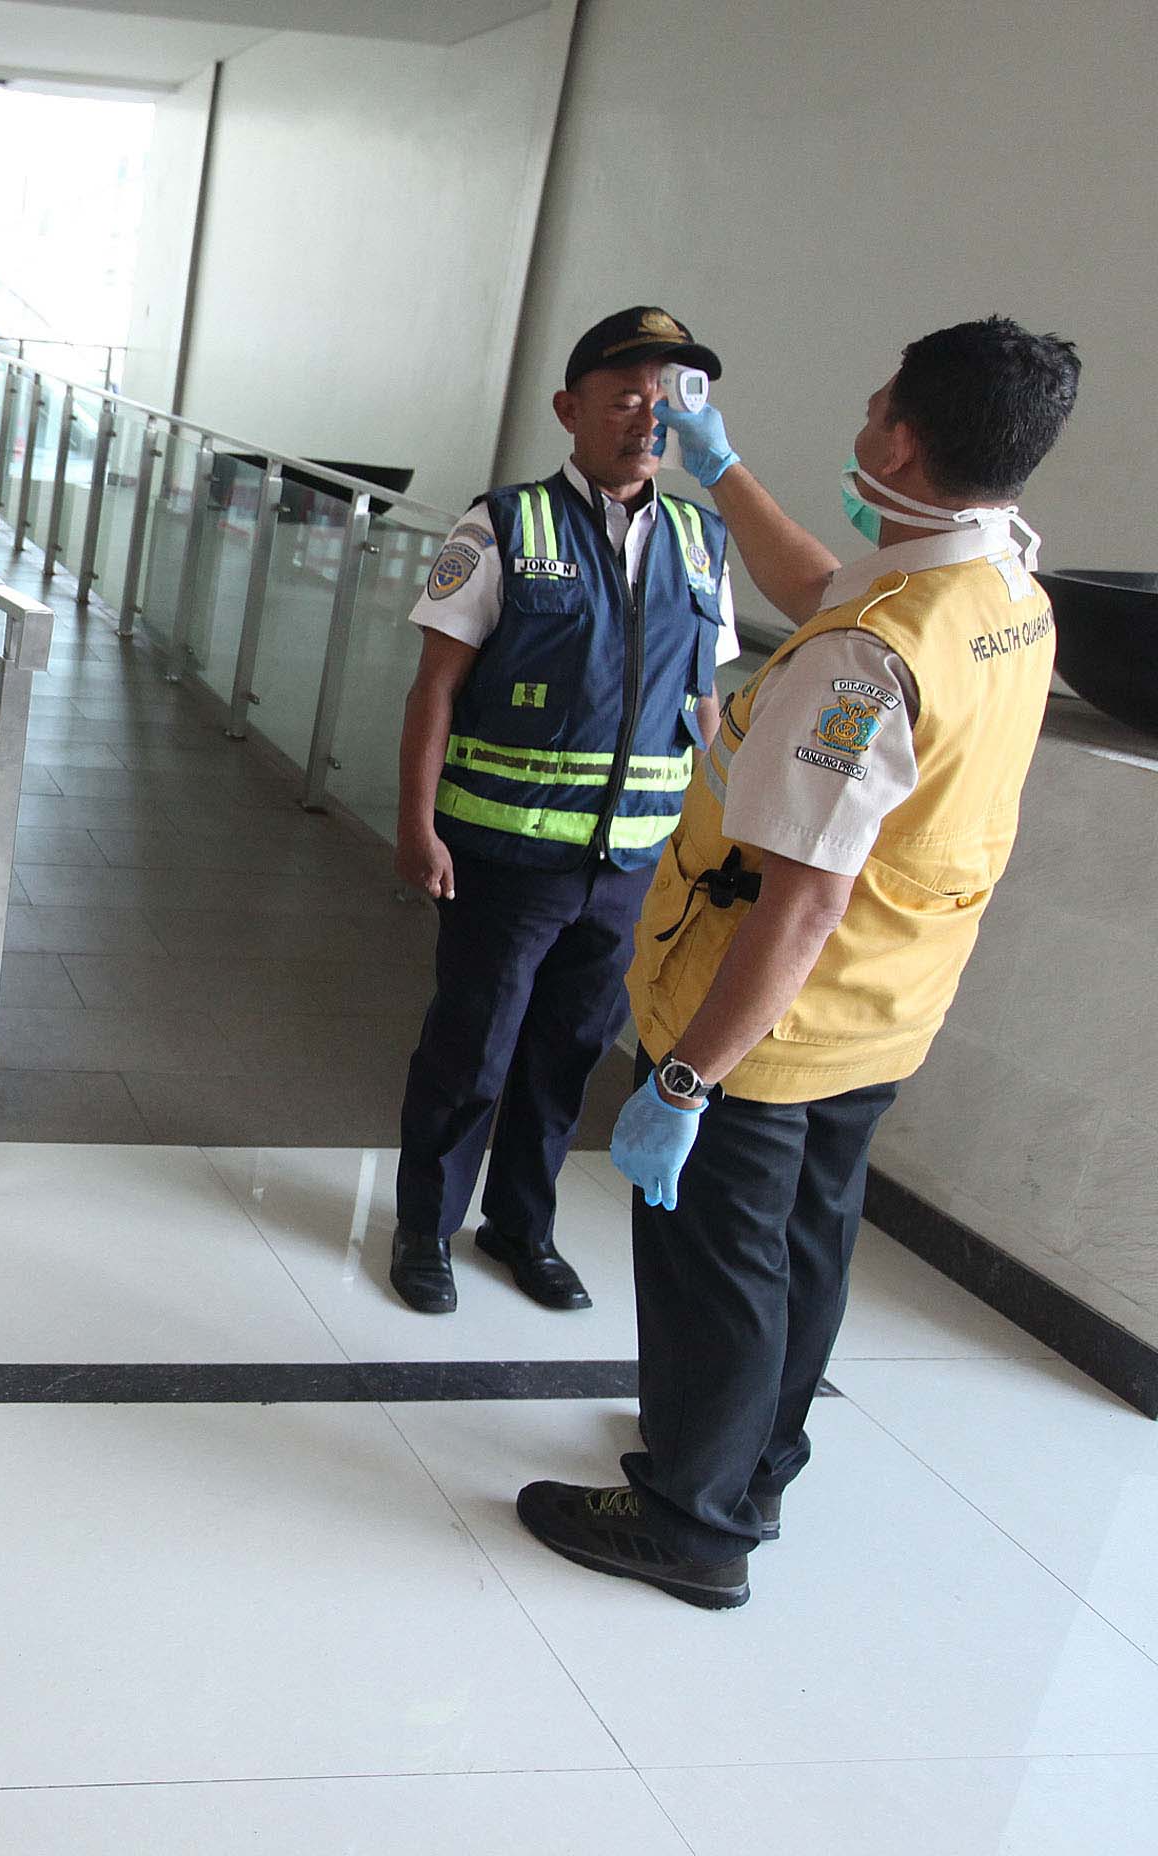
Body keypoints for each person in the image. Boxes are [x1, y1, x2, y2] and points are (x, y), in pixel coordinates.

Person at [515, 316, 1081, 1609]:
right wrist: (722, 469)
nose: (862, 421)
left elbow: (803, 900)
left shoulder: (864, 663)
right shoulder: (1001, 591)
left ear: (904, 440)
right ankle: (754, 1463)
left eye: (877, 406)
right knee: (810, 1245)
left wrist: (685, 1080)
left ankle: (691, 1522)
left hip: (769, 1025)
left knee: (718, 1265)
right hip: (889, 1005)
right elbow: (835, 586)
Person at [387, 308, 743, 1315]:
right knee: (473, 1047)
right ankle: (426, 1226)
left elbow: (706, 707)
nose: (648, 419)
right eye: (625, 396)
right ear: (569, 409)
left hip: (632, 867)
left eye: (664, 400)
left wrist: (721, 835)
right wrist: (416, 825)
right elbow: (435, 687)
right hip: (505, 858)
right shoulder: (503, 524)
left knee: (568, 1056)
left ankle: (521, 1226)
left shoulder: (701, 538)